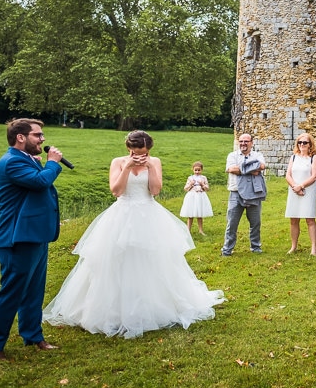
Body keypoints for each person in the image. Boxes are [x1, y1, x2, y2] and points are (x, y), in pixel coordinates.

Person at [43, 131, 224, 339]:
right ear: (129, 149)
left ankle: (153, 305)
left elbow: (155, 191)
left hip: (149, 214)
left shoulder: (154, 161)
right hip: (122, 215)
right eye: (136, 152)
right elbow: (116, 191)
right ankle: (113, 310)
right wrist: (128, 167)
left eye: (145, 152)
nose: (141, 155)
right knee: (118, 259)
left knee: (151, 259)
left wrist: (149, 167)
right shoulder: (118, 162)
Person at [0, 118, 64, 361]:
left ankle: (33, 336)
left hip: (35, 235)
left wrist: (41, 164)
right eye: (38, 135)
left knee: (34, 291)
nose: (43, 139)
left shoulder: (26, 159)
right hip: (16, 237)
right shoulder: (10, 163)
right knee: (12, 292)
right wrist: (53, 164)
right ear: (21, 137)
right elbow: (40, 183)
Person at [221, 133, 266, 256]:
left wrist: (242, 169)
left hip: (254, 193)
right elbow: (231, 169)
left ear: (251, 143)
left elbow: (262, 166)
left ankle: (255, 247)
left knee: (255, 222)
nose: (243, 144)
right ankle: (227, 249)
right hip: (236, 193)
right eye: (241, 141)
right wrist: (252, 169)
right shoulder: (232, 155)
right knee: (232, 223)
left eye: (246, 141)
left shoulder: (258, 155)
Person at [285, 133, 316, 255]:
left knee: (310, 219)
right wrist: (295, 186)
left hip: (308, 190)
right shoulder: (294, 157)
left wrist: (301, 186)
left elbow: (314, 176)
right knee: (293, 219)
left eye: (305, 142)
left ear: (310, 144)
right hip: (294, 190)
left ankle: (313, 248)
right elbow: (288, 174)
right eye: (300, 142)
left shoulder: (313, 158)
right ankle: (293, 246)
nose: (302, 145)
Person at [180, 161, 213, 235]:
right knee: (190, 214)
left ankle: (201, 230)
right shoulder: (190, 178)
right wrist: (191, 184)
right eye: (195, 170)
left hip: (200, 196)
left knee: (199, 214)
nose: (197, 172)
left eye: (199, 170)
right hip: (192, 196)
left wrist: (202, 185)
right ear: (193, 169)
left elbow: (207, 188)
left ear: (202, 170)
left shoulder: (203, 178)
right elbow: (185, 188)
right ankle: (188, 230)